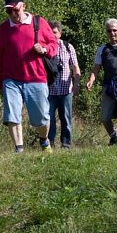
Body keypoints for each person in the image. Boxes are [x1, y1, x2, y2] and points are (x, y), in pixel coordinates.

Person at [0, 0, 58, 153]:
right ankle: (19, 149)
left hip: (36, 78)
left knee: (42, 118)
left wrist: (44, 49)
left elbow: (54, 44)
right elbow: (0, 56)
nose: (13, 14)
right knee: (12, 115)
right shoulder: (4, 28)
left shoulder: (39, 22)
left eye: (15, 10)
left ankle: (44, 140)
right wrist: (0, 80)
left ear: (24, 6)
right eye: (9, 11)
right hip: (11, 79)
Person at [47, 21, 81, 149]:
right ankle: (49, 144)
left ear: (60, 33)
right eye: (50, 32)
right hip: (49, 90)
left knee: (66, 119)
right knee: (49, 119)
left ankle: (66, 144)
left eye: (55, 32)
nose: (53, 35)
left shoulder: (68, 47)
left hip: (66, 90)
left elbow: (75, 67)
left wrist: (76, 83)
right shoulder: (45, 48)